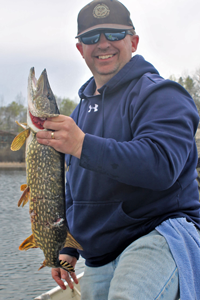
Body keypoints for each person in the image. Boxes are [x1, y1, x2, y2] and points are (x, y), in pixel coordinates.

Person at [36, 0, 200, 299]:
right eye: (90, 38)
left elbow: (161, 165)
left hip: (158, 234)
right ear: (80, 49)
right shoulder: (78, 114)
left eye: (113, 34)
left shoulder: (162, 94)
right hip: (99, 255)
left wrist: (82, 144)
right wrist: (68, 247)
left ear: (133, 41)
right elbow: (73, 185)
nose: (102, 44)